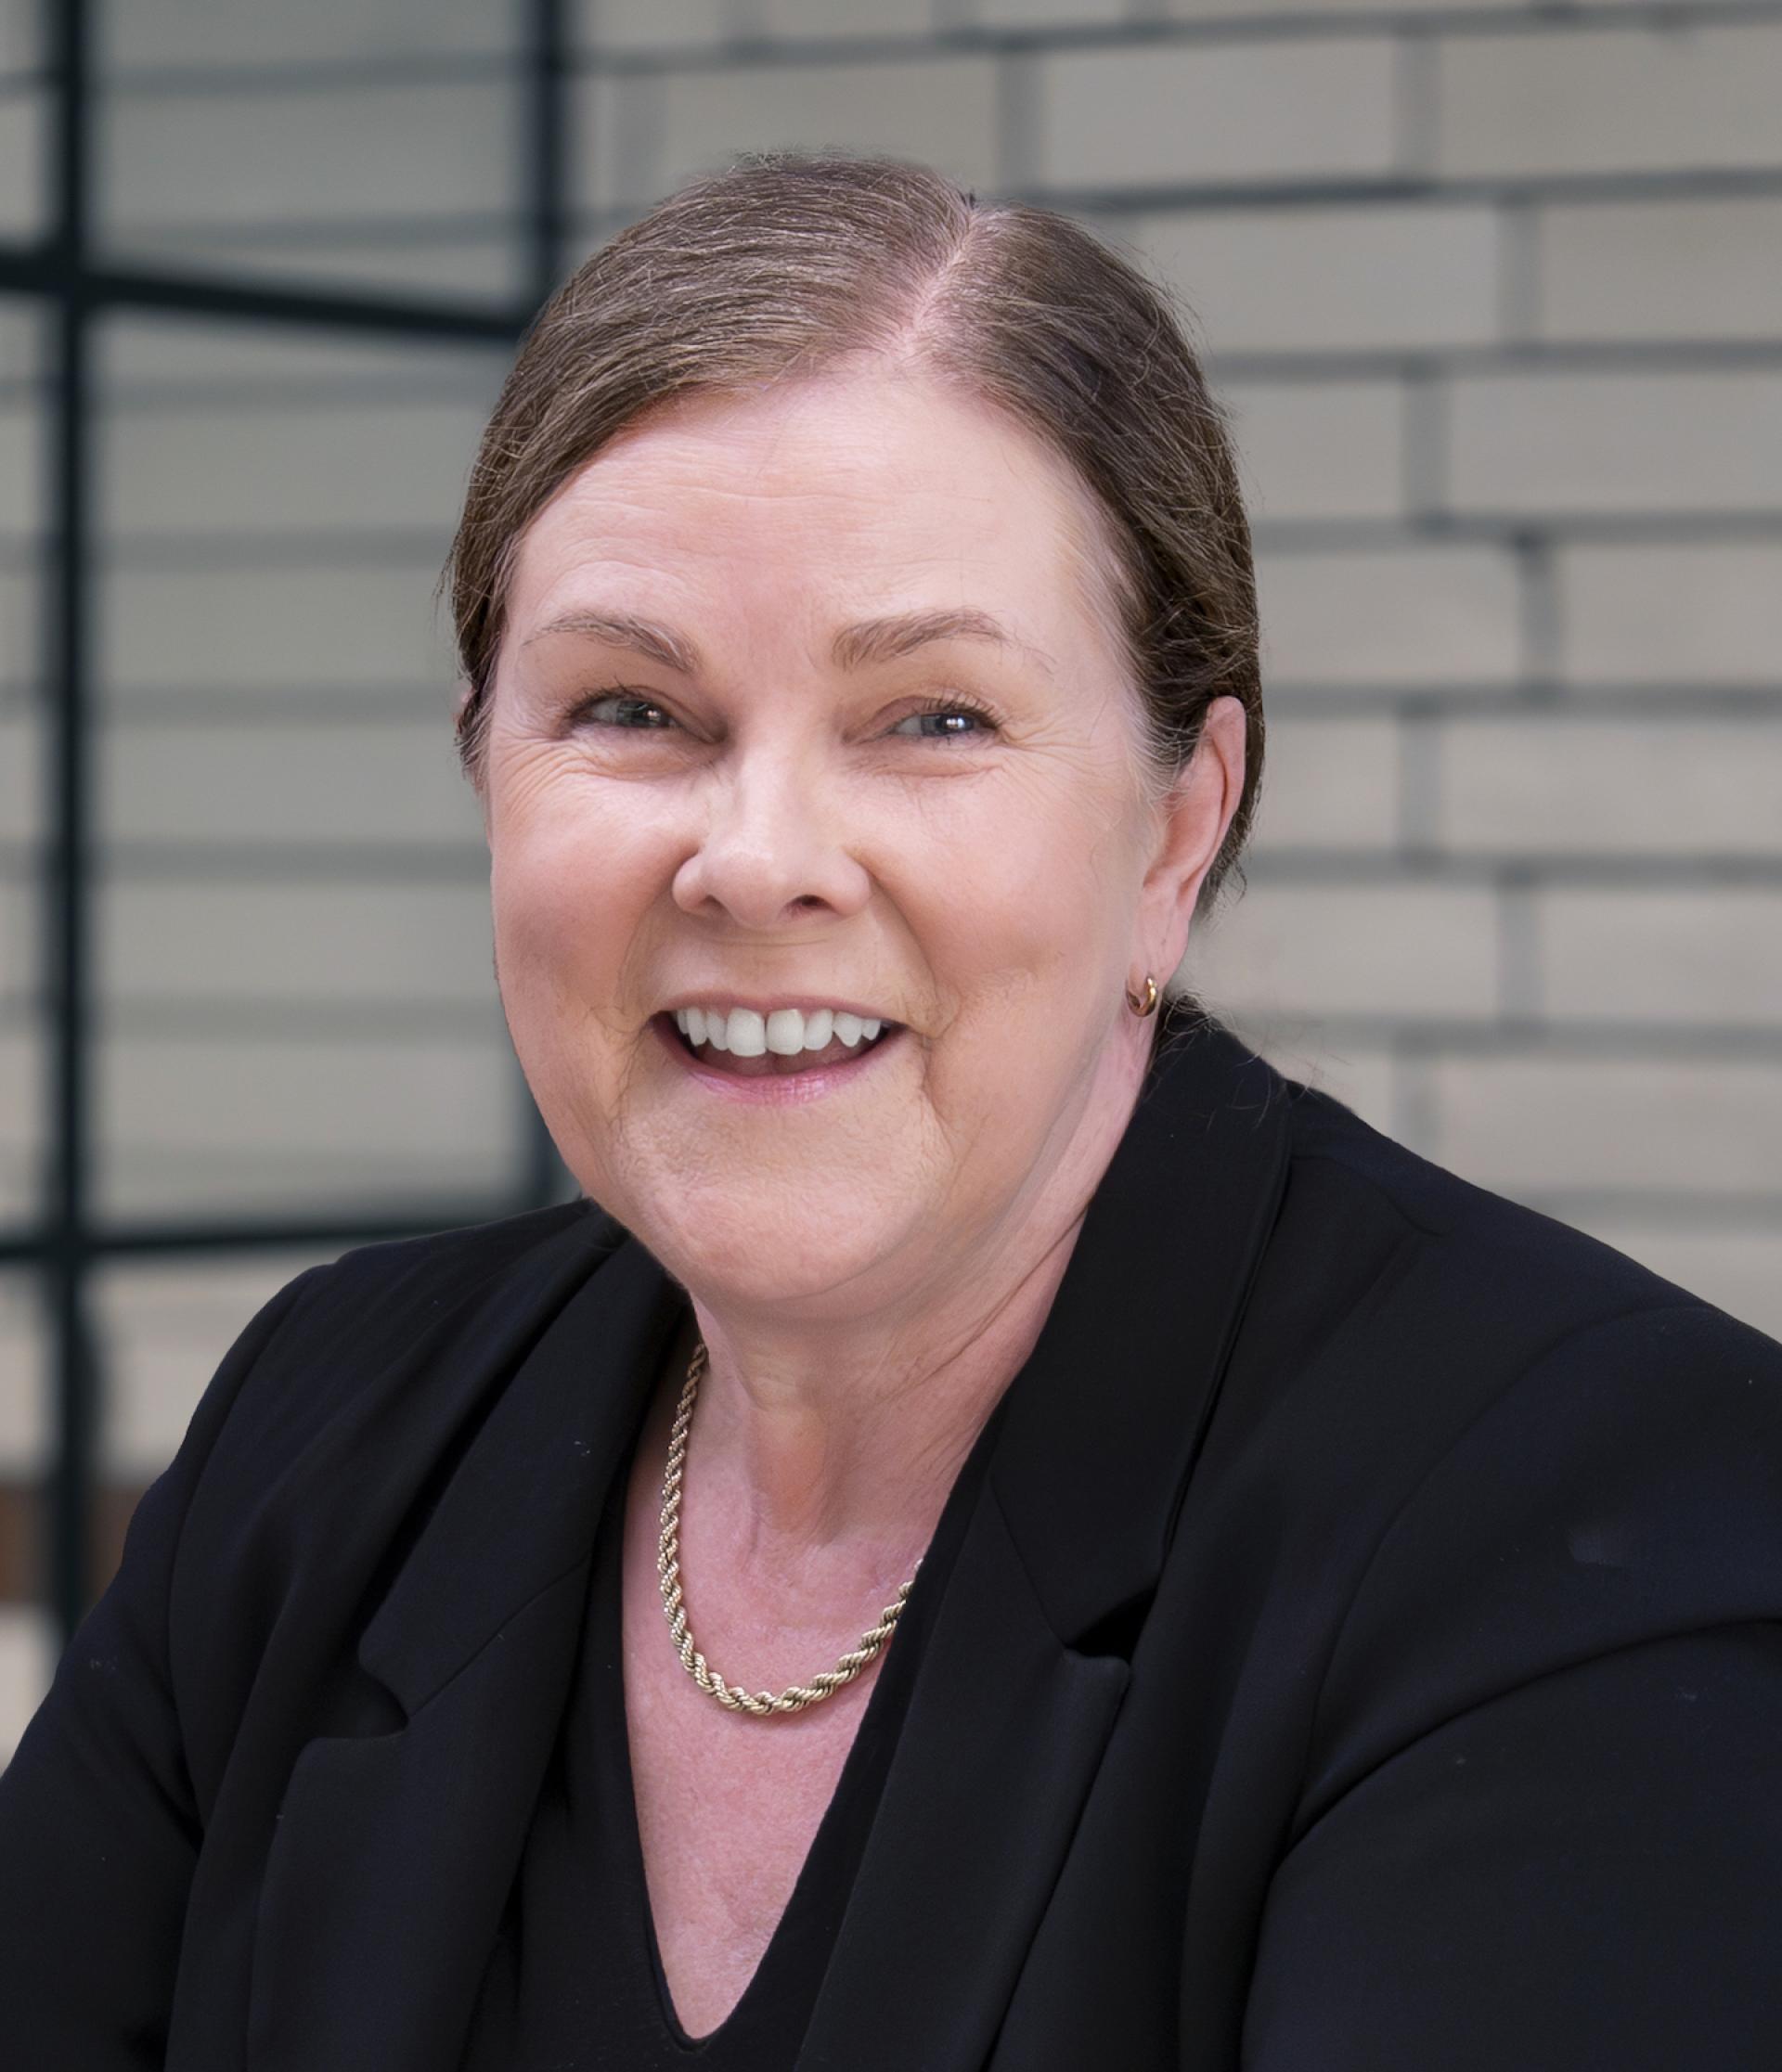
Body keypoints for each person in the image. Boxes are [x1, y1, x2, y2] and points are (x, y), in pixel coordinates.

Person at [3, 148, 1780, 2072]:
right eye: (630, 708)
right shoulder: (332, 1429)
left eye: (933, 716)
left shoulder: (1592, 1514)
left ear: (1179, 830)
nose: (756, 860)